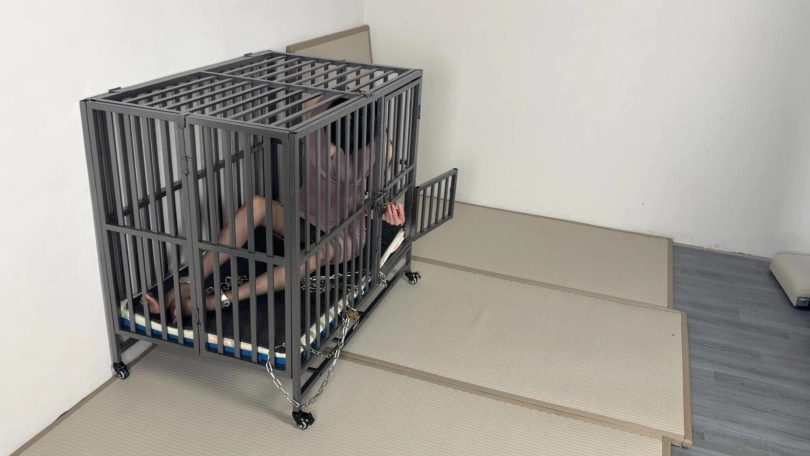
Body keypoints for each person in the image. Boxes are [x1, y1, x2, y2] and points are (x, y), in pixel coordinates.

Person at [144, 96, 404, 322]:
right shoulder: (317, 108)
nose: (338, 151)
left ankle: (216, 301)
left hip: (343, 231)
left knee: (315, 254)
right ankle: (186, 285)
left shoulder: (381, 148)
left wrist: (385, 211)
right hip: (303, 216)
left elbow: (377, 198)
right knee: (256, 205)